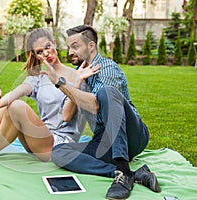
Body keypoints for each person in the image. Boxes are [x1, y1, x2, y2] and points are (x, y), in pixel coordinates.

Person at [0, 28, 98, 169]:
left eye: (47, 47)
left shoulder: (77, 75)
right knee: (9, 106)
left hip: (60, 146)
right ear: (35, 55)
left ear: (54, 43)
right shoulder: (37, 78)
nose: (46, 53)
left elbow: (67, 116)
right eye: (39, 52)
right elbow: (9, 98)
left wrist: (76, 83)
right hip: (37, 142)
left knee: (18, 107)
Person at [38, 25, 160, 199]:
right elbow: (65, 116)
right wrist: (76, 81)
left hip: (131, 135)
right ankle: (126, 174)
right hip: (104, 140)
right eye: (68, 47)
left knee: (106, 92)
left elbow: (96, 106)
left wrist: (60, 83)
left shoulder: (107, 68)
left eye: (75, 46)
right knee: (59, 152)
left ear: (91, 46)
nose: (70, 51)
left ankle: (123, 171)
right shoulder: (81, 73)